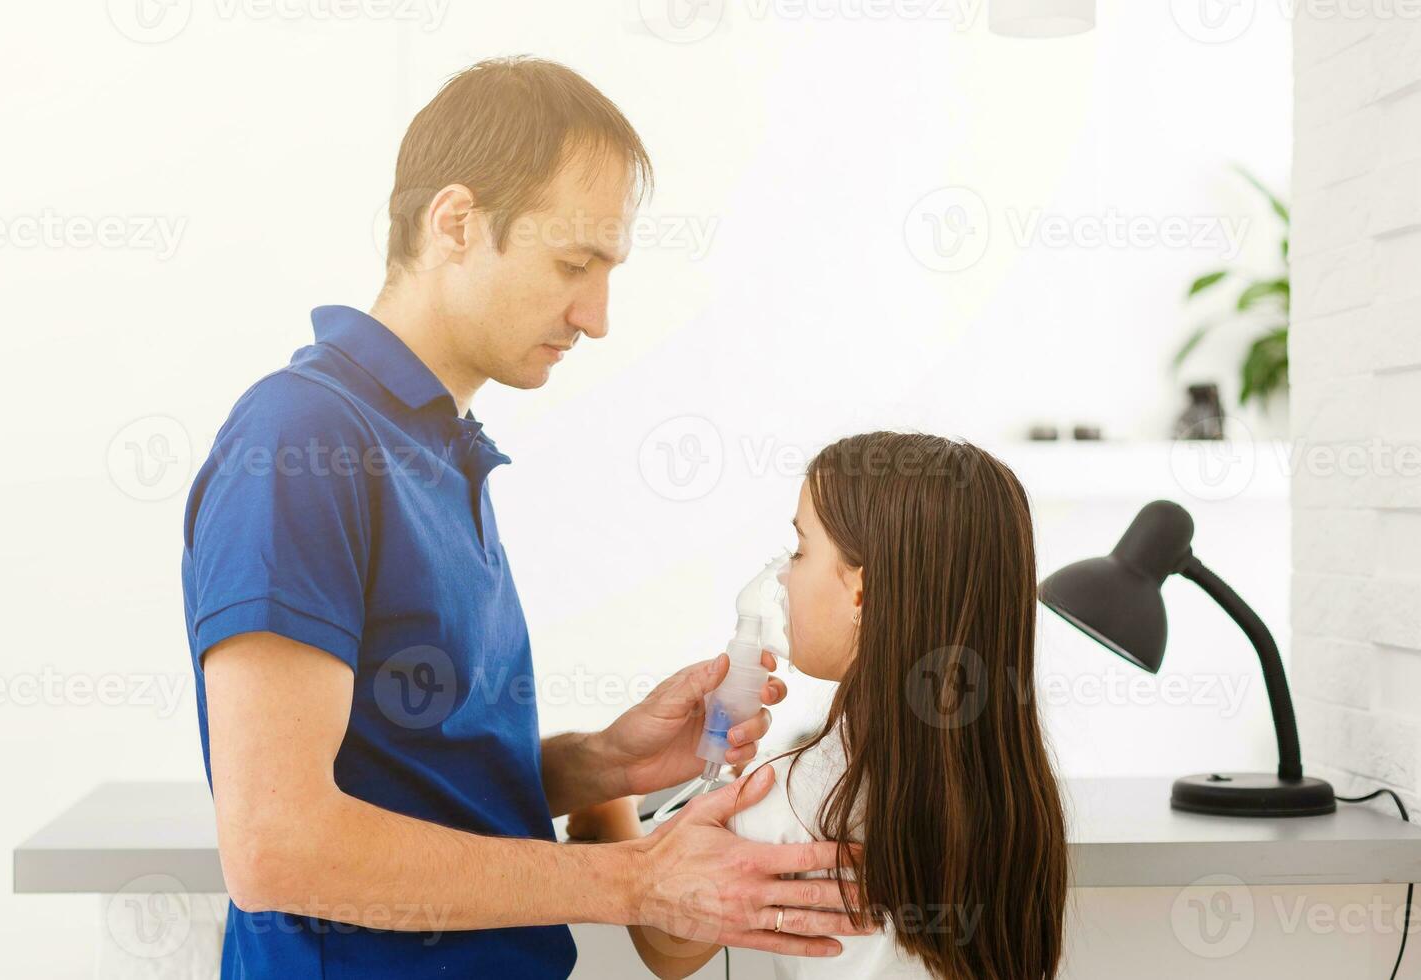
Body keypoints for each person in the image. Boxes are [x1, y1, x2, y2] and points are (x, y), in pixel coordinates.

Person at [179, 57, 869, 979]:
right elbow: (278, 849)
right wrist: (635, 882)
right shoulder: (302, 440)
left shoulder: (441, 449)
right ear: (455, 222)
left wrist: (603, 764)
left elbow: (407, 780)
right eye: (573, 265)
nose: (597, 315)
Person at [570, 432, 1071, 980]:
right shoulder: (1017, 787)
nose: (783, 575)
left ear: (862, 591)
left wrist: (609, 811)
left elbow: (670, 947)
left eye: (801, 550)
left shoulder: (790, 793)